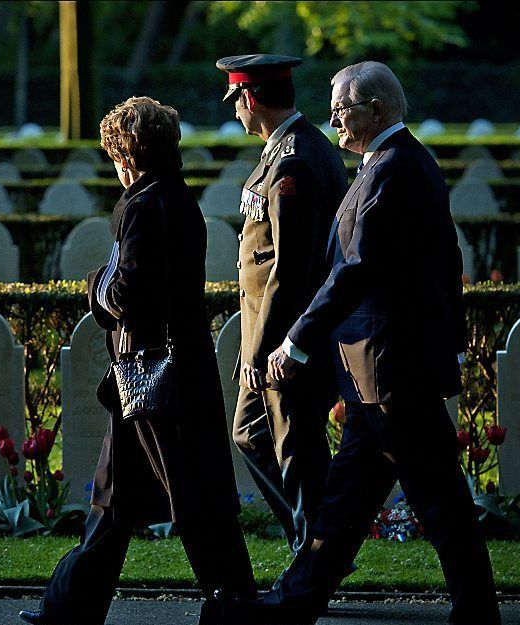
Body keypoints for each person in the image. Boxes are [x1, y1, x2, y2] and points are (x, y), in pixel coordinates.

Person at [221, 61, 502, 625]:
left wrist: (296, 341)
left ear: (376, 109)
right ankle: (296, 602)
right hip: (380, 370)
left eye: (343, 108)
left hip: (392, 370)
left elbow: (357, 268)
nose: (333, 119)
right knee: (347, 504)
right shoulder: (395, 163)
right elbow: (442, 261)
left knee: (438, 500)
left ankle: (476, 610)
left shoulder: (395, 169)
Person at [19, 96, 256, 625]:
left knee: (193, 498)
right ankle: (69, 608)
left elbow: (124, 293)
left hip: (154, 376)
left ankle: (236, 602)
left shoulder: (146, 206)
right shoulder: (176, 198)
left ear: (126, 155)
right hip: (154, 374)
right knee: (114, 498)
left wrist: (91, 286)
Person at [216, 54, 347, 555]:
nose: (235, 113)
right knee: (253, 434)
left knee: (295, 448)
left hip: (287, 342)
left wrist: (261, 351)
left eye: (236, 103)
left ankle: (317, 553)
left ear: (250, 99)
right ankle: (313, 541)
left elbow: (288, 270)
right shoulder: (289, 149)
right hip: (271, 336)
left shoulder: (293, 160)